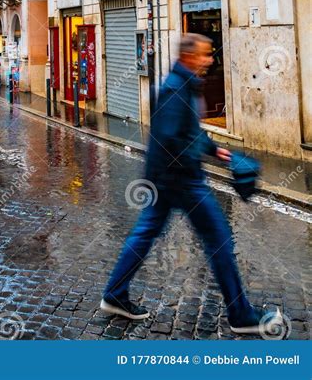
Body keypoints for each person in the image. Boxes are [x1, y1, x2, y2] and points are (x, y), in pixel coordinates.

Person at [100, 33, 284, 336]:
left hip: (165, 178)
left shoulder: (181, 85)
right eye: (205, 55)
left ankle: (114, 293)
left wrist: (215, 150)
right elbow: (173, 138)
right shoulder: (176, 88)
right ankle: (240, 314)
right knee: (220, 240)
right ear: (189, 57)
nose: (210, 60)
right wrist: (196, 164)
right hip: (182, 180)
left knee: (145, 233)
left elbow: (188, 130)